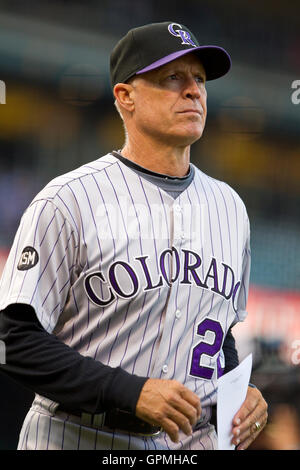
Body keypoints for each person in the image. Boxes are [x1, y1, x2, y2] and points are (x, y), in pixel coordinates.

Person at [0, 21, 267, 450]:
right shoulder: (69, 199)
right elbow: (12, 341)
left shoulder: (230, 208)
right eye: (172, 78)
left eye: (199, 79)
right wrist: (130, 391)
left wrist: (237, 393)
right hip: (75, 434)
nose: (193, 91)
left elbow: (218, 333)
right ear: (126, 97)